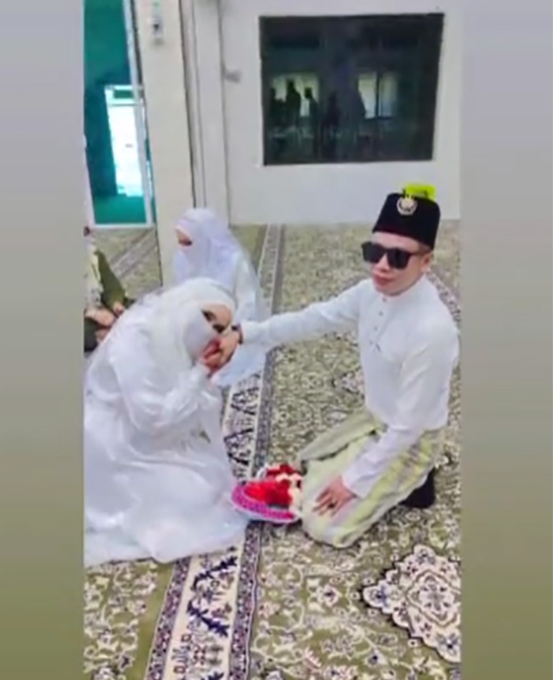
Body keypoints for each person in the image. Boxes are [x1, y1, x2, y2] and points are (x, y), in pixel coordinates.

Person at [203, 191, 459, 550]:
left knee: (321, 523)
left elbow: (408, 426)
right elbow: (312, 319)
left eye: (398, 256)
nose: (382, 266)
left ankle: (418, 479)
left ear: (426, 261)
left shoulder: (432, 331)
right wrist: (243, 334)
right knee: (304, 467)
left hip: (411, 440)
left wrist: (353, 482)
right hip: (373, 419)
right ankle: (376, 474)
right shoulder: (369, 293)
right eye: (374, 251)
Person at [84, 278, 249, 567]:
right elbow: (152, 419)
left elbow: (190, 411)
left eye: (217, 328)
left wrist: (203, 373)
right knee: (191, 504)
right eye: (205, 316)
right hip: (112, 443)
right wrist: (199, 373)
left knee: (211, 486)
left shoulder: (176, 336)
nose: (206, 329)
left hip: (145, 438)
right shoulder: (137, 336)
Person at [173, 208, 270, 386]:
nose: (183, 249)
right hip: (197, 321)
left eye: (188, 243)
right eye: (180, 243)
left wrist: (230, 331)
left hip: (229, 326)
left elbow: (247, 302)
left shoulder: (234, 261)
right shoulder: (181, 259)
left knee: (222, 362)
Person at [84, 225, 134, 354]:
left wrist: (115, 304)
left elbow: (110, 285)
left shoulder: (94, 256)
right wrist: (92, 313)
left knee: (137, 310)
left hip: (100, 308)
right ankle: (98, 337)